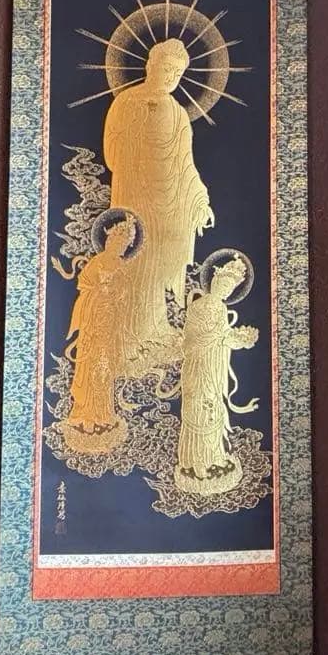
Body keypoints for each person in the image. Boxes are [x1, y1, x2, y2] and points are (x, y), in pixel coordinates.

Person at [103, 38, 213, 360]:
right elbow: (112, 153)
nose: (170, 78)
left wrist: (200, 199)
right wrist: (137, 136)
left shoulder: (178, 114)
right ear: (151, 65)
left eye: (177, 74)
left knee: (160, 263)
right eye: (166, 69)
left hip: (169, 202)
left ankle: (154, 328)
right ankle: (129, 335)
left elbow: (185, 164)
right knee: (137, 261)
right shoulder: (126, 102)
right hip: (135, 194)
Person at [175, 254, 259, 496]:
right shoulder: (199, 306)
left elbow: (223, 337)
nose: (224, 289)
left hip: (213, 367)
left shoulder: (221, 308)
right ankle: (195, 462)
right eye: (222, 283)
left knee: (214, 411)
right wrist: (221, 337)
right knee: (199, 409)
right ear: (213, 281)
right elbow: (191, 339)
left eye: (229, 288)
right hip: (197, 366)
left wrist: (240, 339)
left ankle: (213, 457)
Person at [60, 214, 138, 455]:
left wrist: (115, 295)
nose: (118, 246)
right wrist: (99, 293)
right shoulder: (96, 262)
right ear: (108, 240)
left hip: (111, 326)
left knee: (105, 370)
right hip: (93, 325)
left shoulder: (122, 267)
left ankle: (103, 414)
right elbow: (84, 286)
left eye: (123, 244)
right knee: (90, 369)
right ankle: (86, 414)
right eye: (116, 241)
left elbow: (126, 296)